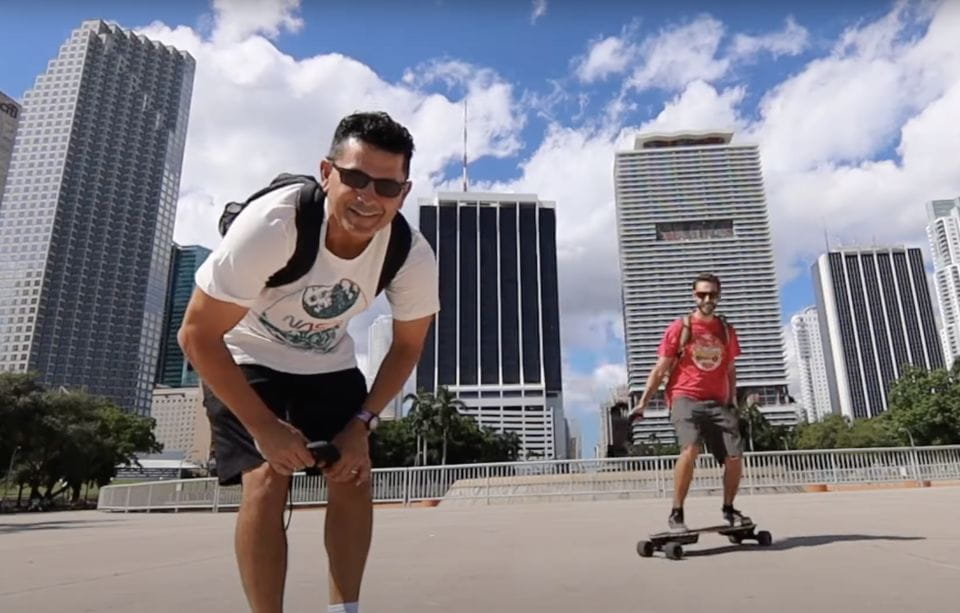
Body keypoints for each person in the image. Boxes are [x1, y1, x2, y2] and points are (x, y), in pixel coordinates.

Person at [178, 111, 439, 613]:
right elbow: (196, 333)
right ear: (327, 173)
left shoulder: (409, 253)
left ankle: (346, 609)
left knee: (351, 472)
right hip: (244, 349)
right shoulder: (276, 224)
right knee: (266, 476)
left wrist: (362, 423)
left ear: (403, 194)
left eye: (386, 186)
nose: (368, 197)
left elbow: (408, 346)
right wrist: (265, 428)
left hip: (326, 360)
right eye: (356, 178)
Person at [629, 273, 749, 532]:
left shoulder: (726, 331)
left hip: (718, 401)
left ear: (719, 296)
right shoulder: (680, 328)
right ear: (694, 296)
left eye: (712, 294)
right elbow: (660, 369)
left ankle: (729, 508)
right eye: (702, 294)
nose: (707, 299)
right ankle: (677, 512)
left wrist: (731, 401)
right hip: (685, 397)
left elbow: (729, 368)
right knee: (691, 449)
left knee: (734, 455)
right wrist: (643, 403)